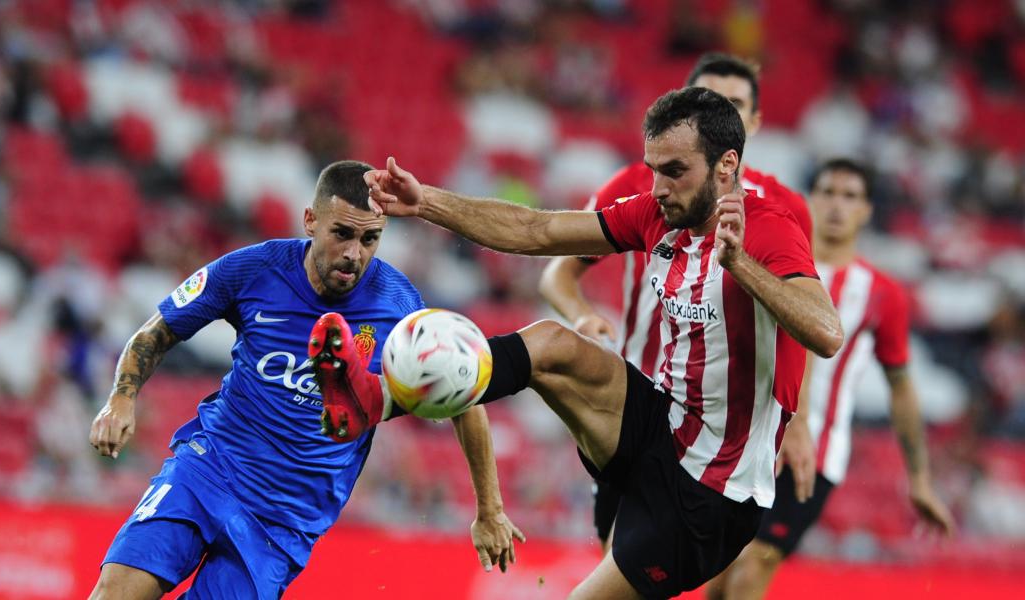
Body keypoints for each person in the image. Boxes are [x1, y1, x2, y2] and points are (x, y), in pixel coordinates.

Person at [318, 88, 843, 599]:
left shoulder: (769, 229)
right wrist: (426, 201)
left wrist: (740, 266)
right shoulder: (658, 215)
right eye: (654, 169)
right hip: (661, 426)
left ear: (726, 166)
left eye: (675, 171)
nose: (658, 187)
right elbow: (538, 231)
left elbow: (826, 333)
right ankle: (375, 399)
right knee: (550, 343)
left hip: (711, 494)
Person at [87, 160, 524, 599]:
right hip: (208, 470)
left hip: (285, 521)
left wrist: (490, 509)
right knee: (116, 592)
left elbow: (464, 399)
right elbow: (158, 330)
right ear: (310, 221)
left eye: (370, 239)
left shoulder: (400, 306)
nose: (355, 254)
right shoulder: (252, 269)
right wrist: (120, 400)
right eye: (343, 234)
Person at [538, 53, 815, 551]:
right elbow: (559, 270)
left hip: (726, 428)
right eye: (707, 99)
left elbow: (806, 321)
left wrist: (799, 419)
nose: (719, 111)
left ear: (750, 122)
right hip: (640, 403)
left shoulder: (784, 211)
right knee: (621, 556)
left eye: (733, 105)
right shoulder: (638, 187)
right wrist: (584, 316)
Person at [704, 159, 956, 600]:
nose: (837, 205)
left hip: (815, 454)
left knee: (754, 566)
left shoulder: (882, 293)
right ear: (811, 200)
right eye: (828, 192)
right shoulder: (770, 259)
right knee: (717, 578)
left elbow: (901, 387)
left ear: (867, 210)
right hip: (743, 438)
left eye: (850, 196)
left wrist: (919, 478)